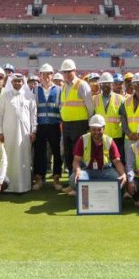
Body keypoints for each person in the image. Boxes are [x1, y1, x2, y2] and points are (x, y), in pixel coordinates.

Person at [0, 73, 37, 193]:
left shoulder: (29, 96)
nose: (17, 83)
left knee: (24, 158)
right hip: (8, 133)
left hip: (25, 134)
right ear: (11, 82)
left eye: (20, 81)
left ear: (23, 82)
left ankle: (24, 187)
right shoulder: (5, 96)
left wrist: (33, 131)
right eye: (15, 81)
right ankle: (8, 186)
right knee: (8, 158)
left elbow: (33, 115)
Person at [59, 59, 95, 194]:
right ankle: (71, 182)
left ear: (75, 71)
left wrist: (88, 125)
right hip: (67, 125)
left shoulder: (82, 85)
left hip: (79, 125)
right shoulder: (63, 86)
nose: (67, 74)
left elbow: (90, 107)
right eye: (65, 72)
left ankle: (79, 184)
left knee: (78, 155)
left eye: (69, 71)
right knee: (68, 155)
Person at [71, 114, 126, 194]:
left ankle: (96, 194)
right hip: (86, 170)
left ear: (104, 128)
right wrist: (78, 171)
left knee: (118, 179)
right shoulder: (82, 139)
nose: (96, 132)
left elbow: (117, 162)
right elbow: (76, 160)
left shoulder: (109, 141)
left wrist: (123, 174)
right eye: (94, 129)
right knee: (74, 179)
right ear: (90, 129)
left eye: (99, 129)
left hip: (105, 171)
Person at [33, 64, 62, 191]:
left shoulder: (59, 90)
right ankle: (40, 178)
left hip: (54, 125)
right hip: (40, 125)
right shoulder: (34, 90)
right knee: (39, 152)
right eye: (43, 74)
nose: (46, 76)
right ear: (40, 75)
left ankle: (56, 178)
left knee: (56, 152)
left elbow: (62, 108)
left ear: (52, 74)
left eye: (48, 73)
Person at [94, 73, 126, 155]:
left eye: (108, 84)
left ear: (112, 84)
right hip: (100, 135)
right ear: (100, 85)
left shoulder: (121, 99)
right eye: (103, 84)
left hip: (116, 136)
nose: (105, 86)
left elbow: (125, 118)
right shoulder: (94, 99)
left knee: (116, 158)